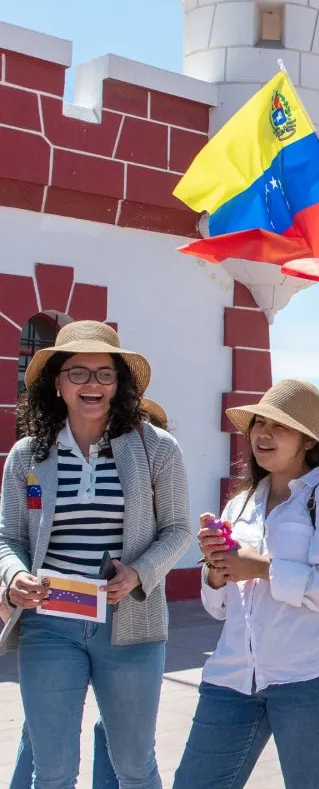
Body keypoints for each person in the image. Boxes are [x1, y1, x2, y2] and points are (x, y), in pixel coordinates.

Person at [0, 321, 191, 789]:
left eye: (105, 374)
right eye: (79, 372)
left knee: (133, 765)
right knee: (53, 772)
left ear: (119, 385)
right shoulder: (27, 455)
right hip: (49, 624)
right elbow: (7, 537)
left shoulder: (157, 448)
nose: (93, 384)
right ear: (58, 383)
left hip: (131, 628)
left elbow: (179, 530)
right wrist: (13, 576)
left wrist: (139, 572)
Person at [173, 379, 319, 789]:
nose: (263, 433)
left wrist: (261, 568)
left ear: (307, 442)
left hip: (312, 678)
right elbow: (221, 608)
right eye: (259, 423)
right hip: (231, 676)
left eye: (279, 426)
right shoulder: (240, 502)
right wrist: (215, 568)